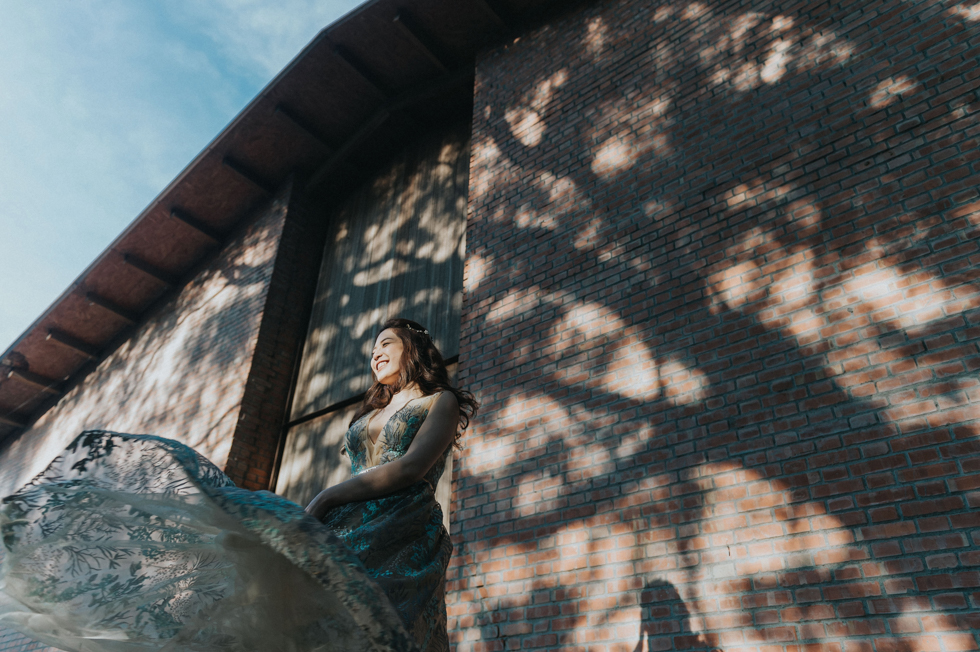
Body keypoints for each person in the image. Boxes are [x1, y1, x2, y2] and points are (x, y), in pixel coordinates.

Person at [0, 318, 477, 652]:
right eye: (372, 347)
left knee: (383, 625)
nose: (375, 353)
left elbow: (411, 468)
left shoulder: (440, 401)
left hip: (403, 527)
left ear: (414, 349)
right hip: (346, 523)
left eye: (386, 343)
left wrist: (328, 495)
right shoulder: (371, 412)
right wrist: (330, 506)